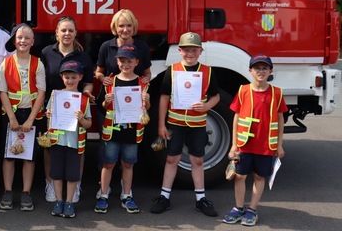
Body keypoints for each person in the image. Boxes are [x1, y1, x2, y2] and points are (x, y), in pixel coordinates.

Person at [150, 32, 220, 217]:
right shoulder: (172, 70)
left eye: (194, 50)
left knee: (197, 160)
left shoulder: (208, 71)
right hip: (175, 122)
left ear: (200, 51)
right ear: (180, 51)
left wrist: (206, 106)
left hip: (197, 124)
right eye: (186, 49)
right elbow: (164, 98)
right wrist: (161, 125)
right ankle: (164, 196)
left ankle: (200, 198)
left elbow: (216, 96)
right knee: (172, 158)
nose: (190, 53)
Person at [222, 55, 286, 226]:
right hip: (244, 144)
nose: (261, 71)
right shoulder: (243, 90)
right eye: (257, 68)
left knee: (259, 177)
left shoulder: (277, 93)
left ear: (270, 71)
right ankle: (238, 208)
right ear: (250, 71)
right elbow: (236, 118)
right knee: (240, 176)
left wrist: (279, 145)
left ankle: (252, 209)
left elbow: (280, 120)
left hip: (266, 146)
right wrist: (234, 144)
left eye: (265, 68)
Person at [39, 16, 94, 204]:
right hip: (52, 107)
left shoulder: (83, 57)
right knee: (51, 146)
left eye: (71, 30)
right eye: (63, 30)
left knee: (77, 147)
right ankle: (50, 183)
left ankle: (75, 185)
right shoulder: (46, 53)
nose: (67, 34)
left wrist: (85, 96)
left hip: (74, 109)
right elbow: (41, 80)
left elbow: (88, 83)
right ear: (56, 33)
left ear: (76, 33)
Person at [94, 45, 149, 214]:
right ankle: (103, 195)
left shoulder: (142, 83)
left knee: (128, 164)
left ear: (136, 62)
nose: (126, 64)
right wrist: (106, 101)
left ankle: (126, 195)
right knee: (108, 163)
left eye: (129, 61)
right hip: (113, 131)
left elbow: (147, 109)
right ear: (117, 62)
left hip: (132, 132)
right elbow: (103, 107)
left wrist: (146, 101)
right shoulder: (111, 81)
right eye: (122, 60)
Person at [0, 23, 46, 211]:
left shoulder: (38, 63)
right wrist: (12, 118)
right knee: (9, 155)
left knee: (28, 156)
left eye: (27, 38)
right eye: (19, 38)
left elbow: (41, 92)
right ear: (14, 41)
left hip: (30, 114)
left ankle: (26, 192)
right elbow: (3, 92)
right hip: (12, 114)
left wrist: (30, 120)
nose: (23, 41)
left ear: (32, 42)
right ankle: (8, 191)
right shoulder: (6, 63)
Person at [46, 61, 92, 218]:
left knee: (72, 175)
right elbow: (49, 119)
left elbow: (89, 124)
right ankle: (59, 201)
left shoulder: (84, 100)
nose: (70, 80)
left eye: (73, 77)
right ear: (61, 77)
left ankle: (69, 202)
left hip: (74, 144)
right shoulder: (55, 95)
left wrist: (81, 119)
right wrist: (49, 116)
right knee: (57, 173)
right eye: (67, 77)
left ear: (80, 77)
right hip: (58, 142)